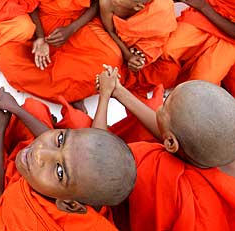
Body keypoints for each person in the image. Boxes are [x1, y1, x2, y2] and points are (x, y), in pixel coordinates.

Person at [0, 88, 136, 230]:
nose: (40, 152)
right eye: (60, 139)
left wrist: (0, 129)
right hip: (40, 184)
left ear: (69, 205)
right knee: (33, 109)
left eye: (59, 171)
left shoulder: (23, 222)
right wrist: (16, 110)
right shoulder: (76, 185)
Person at [94, 65, 235, 230]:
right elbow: (170, 132)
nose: (162, 103)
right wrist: (118, 91)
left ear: (170, 144)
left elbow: (97, 157)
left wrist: (103, 97)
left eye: (166, 101)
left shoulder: (156, 168)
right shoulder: (218, 147)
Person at [0, 0, 123, 113]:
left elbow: (96, 3)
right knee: (7, 59)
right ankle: (72, 93)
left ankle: (69, 93)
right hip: (41, 25)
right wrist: (40, 38)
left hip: (78, 24)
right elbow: (30, 5)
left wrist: (71, 29)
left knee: (111, 58)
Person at [99, 0, 177, 96]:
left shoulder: (161, 7)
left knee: (171, 71)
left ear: (138, 7)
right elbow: (110, 31)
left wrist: (139, 55)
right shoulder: (106, 2)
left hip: (138, 49)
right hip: (114, 43)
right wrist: (127, 55)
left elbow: (155, 40)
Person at [163, 0, 235, 96]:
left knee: (203, 83)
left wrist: (203, 7)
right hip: (202, 15)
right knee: (167, 50)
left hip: (229, 38)